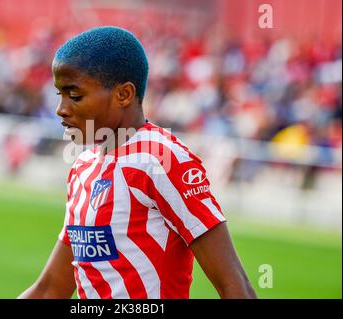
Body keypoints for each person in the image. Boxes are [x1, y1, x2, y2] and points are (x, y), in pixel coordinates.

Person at [19, 26, 256, 299]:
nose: (61, 108)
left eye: (74, 95)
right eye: (59, 94)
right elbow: (50, 289)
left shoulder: (162, 160)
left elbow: (236, 286)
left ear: (124, 94)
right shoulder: (83, 167)